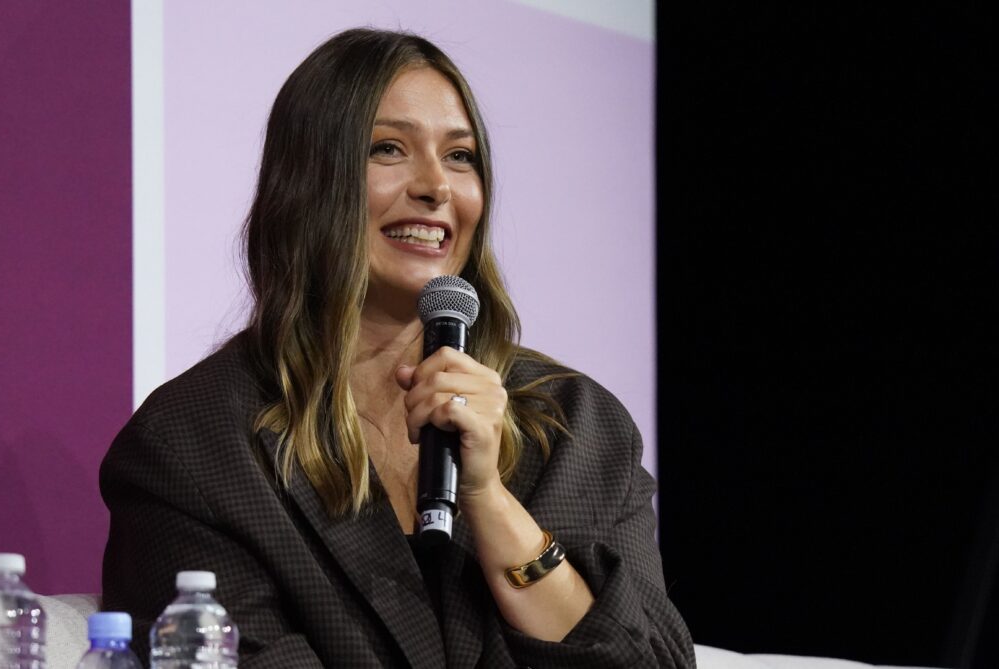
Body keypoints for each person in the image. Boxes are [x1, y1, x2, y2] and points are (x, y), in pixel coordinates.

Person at [100, 28, 695, 668]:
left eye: (461, 156)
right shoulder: (192, 450)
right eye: (389, 149)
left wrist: (491, 500)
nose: (436, 185)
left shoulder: (579, 428)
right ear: (308, 181)